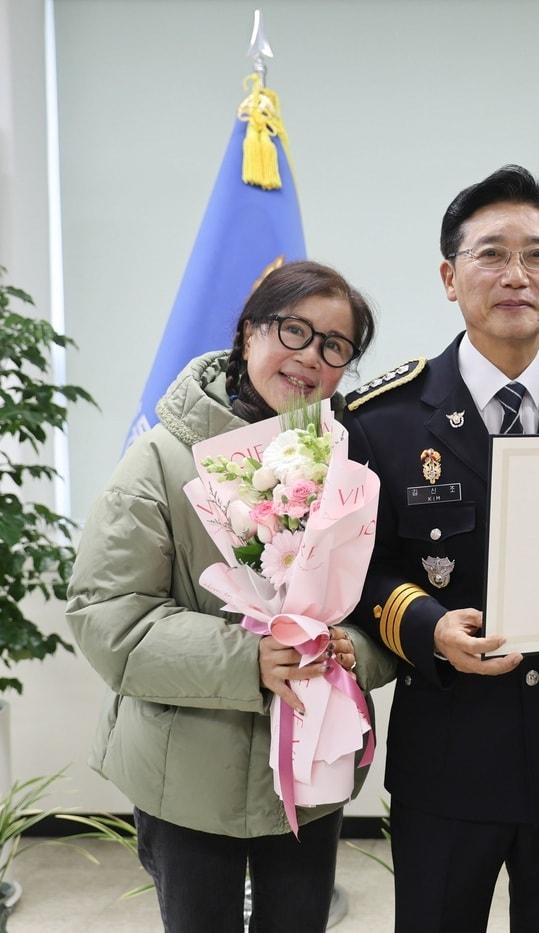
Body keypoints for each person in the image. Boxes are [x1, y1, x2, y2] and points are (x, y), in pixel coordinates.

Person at [344, 164, 539, 933]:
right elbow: (358, 570)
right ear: (450, 276)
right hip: (447, 752)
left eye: (537, 255)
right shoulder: (382, 418)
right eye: (491, 253)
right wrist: (429, 627)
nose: (515, 274)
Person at [67, 260, 394, 932]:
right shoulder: (160, 458)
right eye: (294, 331)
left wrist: (351, 648)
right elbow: (109, 617)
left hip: (309, 774)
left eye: (335, 346)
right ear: (248, 333)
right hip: (185, 776)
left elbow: (379, 607)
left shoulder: (351, 468)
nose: (311, 359)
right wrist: (249, 658)